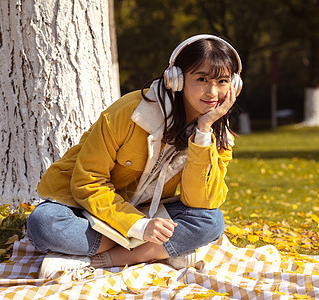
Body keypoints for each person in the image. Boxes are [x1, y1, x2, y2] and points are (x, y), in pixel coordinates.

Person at [27, 34, 243, 279]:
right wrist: (138, 226)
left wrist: (203, 132)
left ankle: (104, 260)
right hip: (87, 208)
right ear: (177, 80)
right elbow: (87, 182)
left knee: (211, 220)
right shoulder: (129, 112)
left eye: (223, 81)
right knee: (43, 224)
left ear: (234, 86)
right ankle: (160, 251)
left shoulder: (216, 134)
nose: (212, 91)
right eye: (201, 79)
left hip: (146, 213)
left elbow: (200, 201)